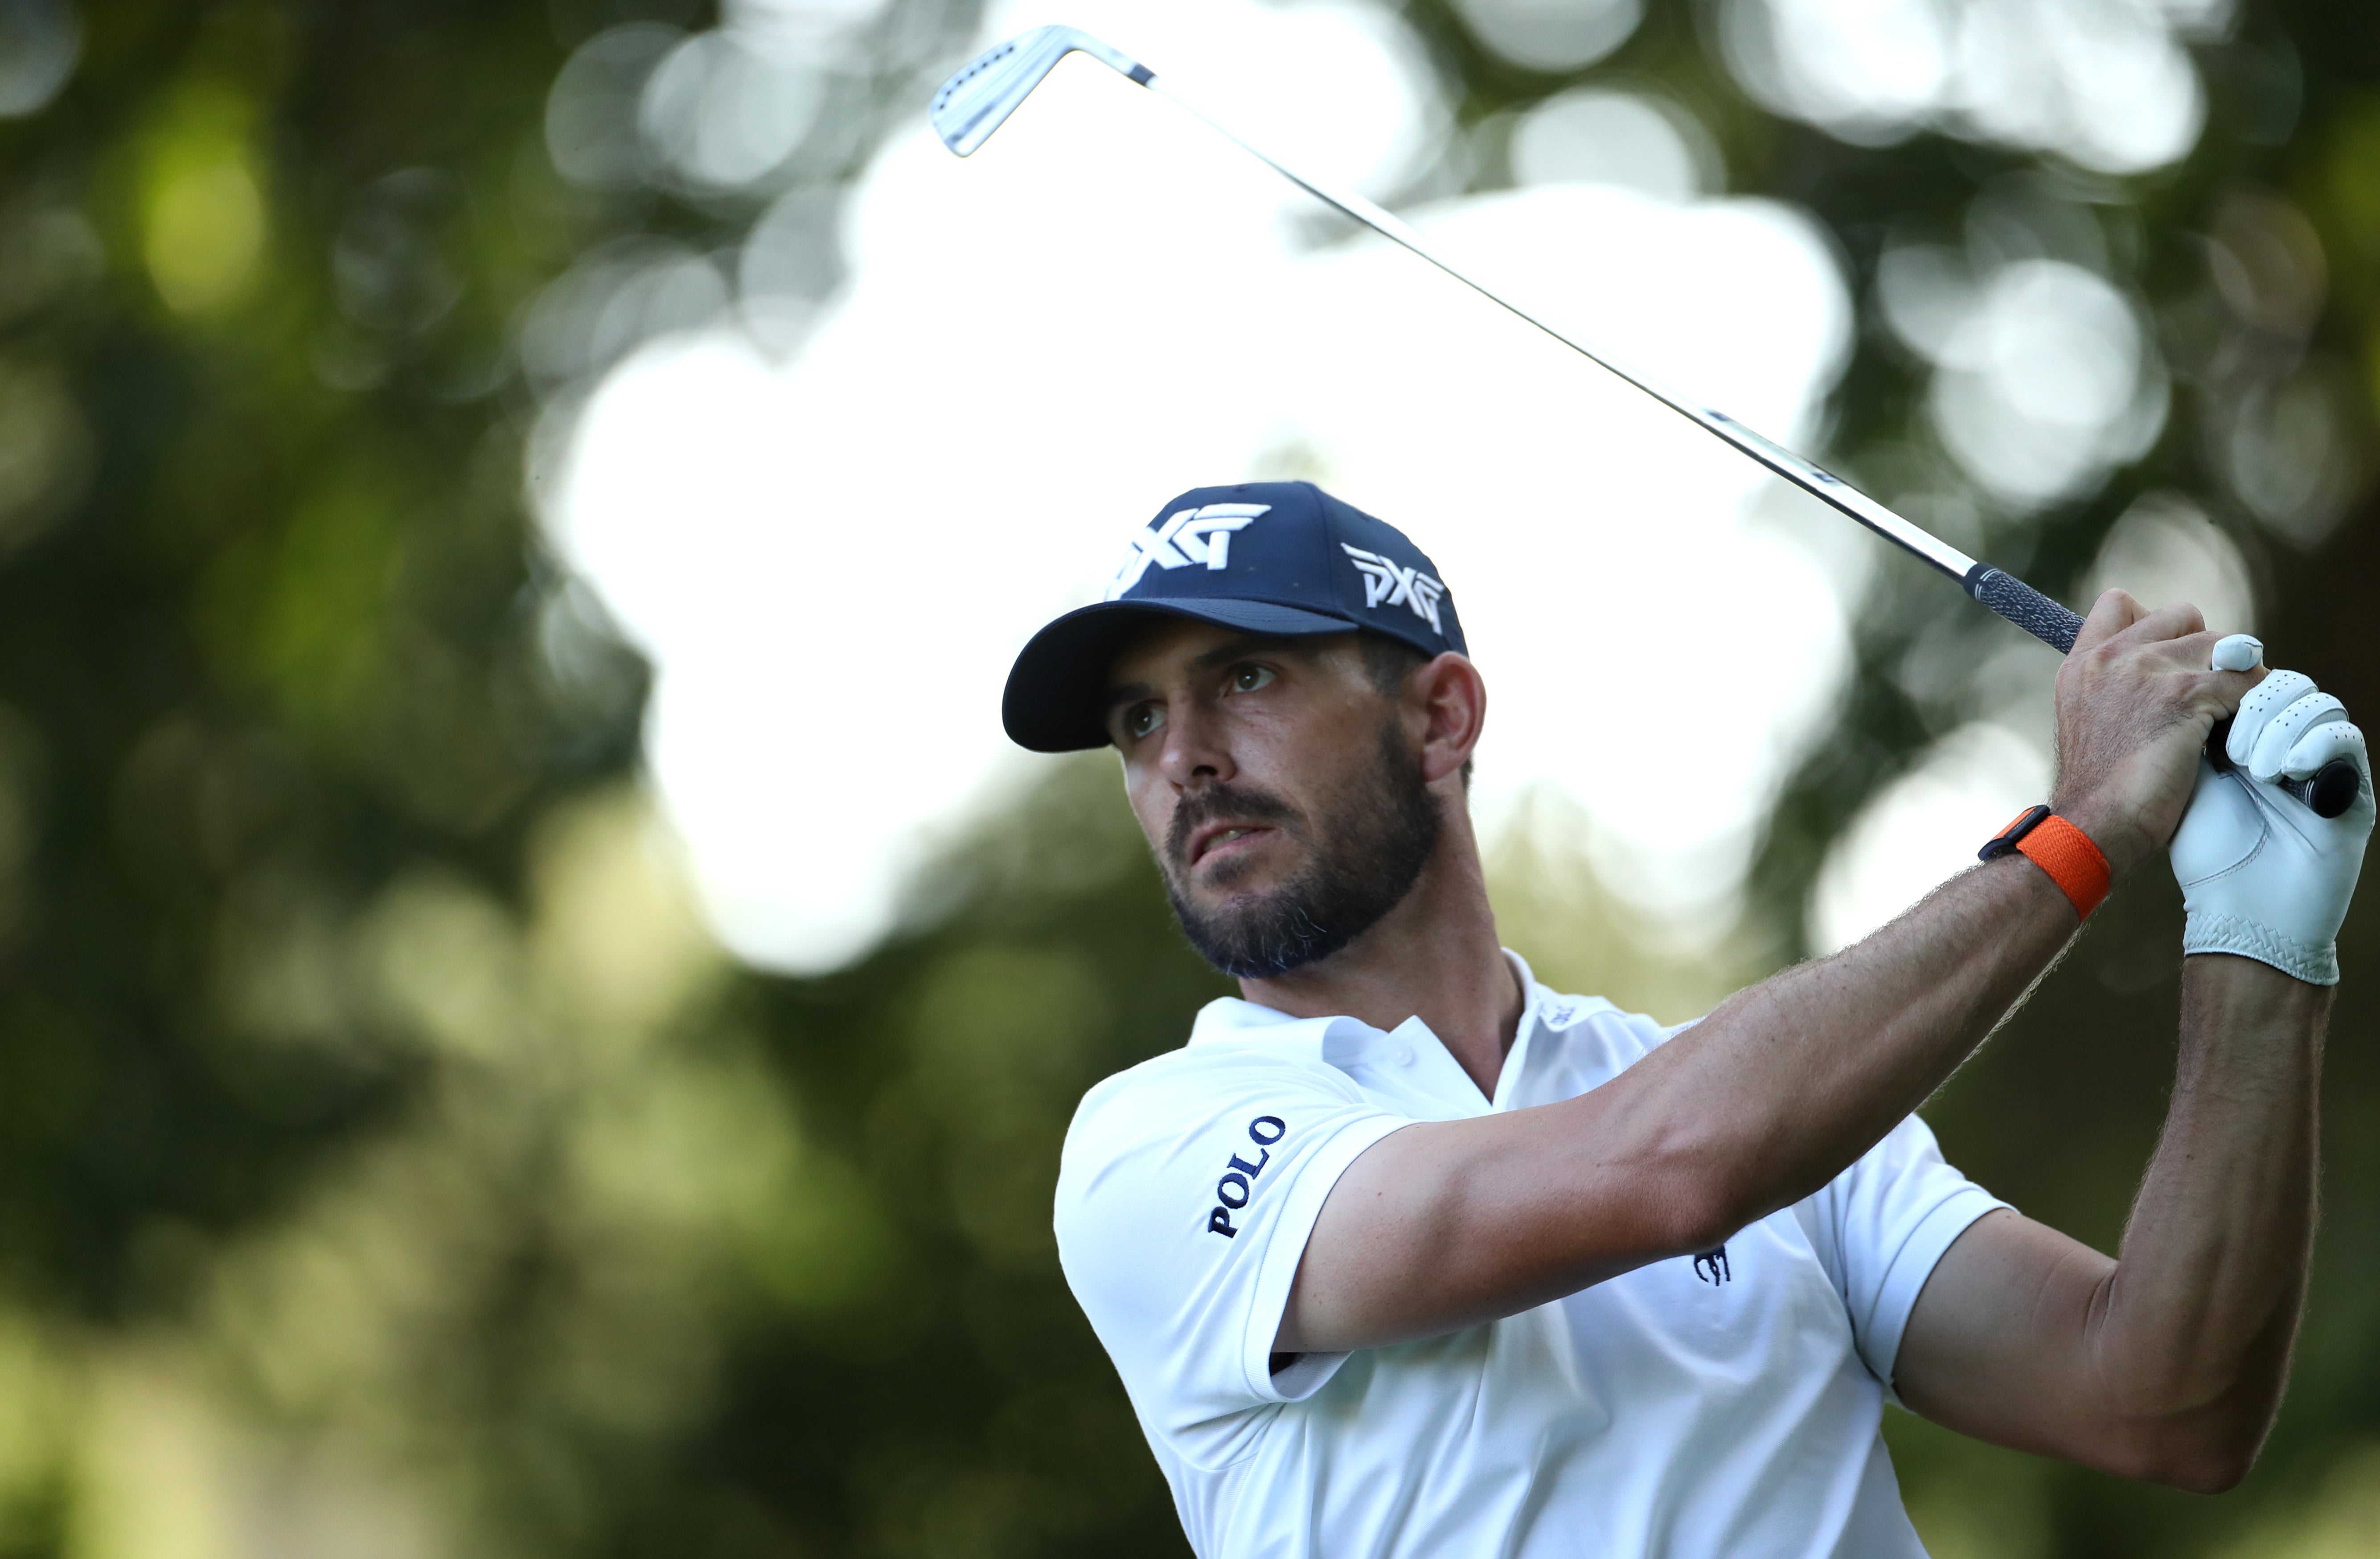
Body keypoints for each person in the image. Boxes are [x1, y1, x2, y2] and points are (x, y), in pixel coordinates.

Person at [1003, 481, 2372, 1558]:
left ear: (1439, 715)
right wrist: (2078, 835)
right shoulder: (1152, 1146)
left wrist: (2259, 945)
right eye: (1137, 720)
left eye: (1244, 678)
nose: (1180, 755)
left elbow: (2163, 1398)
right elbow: (1670, 1169)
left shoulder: (1768, 1103)